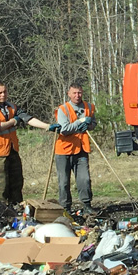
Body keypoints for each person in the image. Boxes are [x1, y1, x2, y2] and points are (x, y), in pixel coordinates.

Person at [0, 82, 54, 206]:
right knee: (0, 186)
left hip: (11, 150)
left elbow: (28, 119)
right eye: (0, 92)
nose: (3, 95)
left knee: (17, 183)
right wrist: (13, 121)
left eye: (5, 92)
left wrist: (48, 126)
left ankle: (17, 209)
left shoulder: (11, 107)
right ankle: (0, 212)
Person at [53, 82, 97, 216]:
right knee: (64, 182)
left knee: (84, 179)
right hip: (64, 150)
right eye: (74, 93)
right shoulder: (63, 109)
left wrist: (89, 125)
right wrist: (81, 122)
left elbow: (93, 123)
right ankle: (65, 208)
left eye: (79, 93)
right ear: (69, 94)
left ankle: (87, 205)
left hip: (82, 149)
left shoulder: (89, 107)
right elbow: (64, 129)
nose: (77, 96)